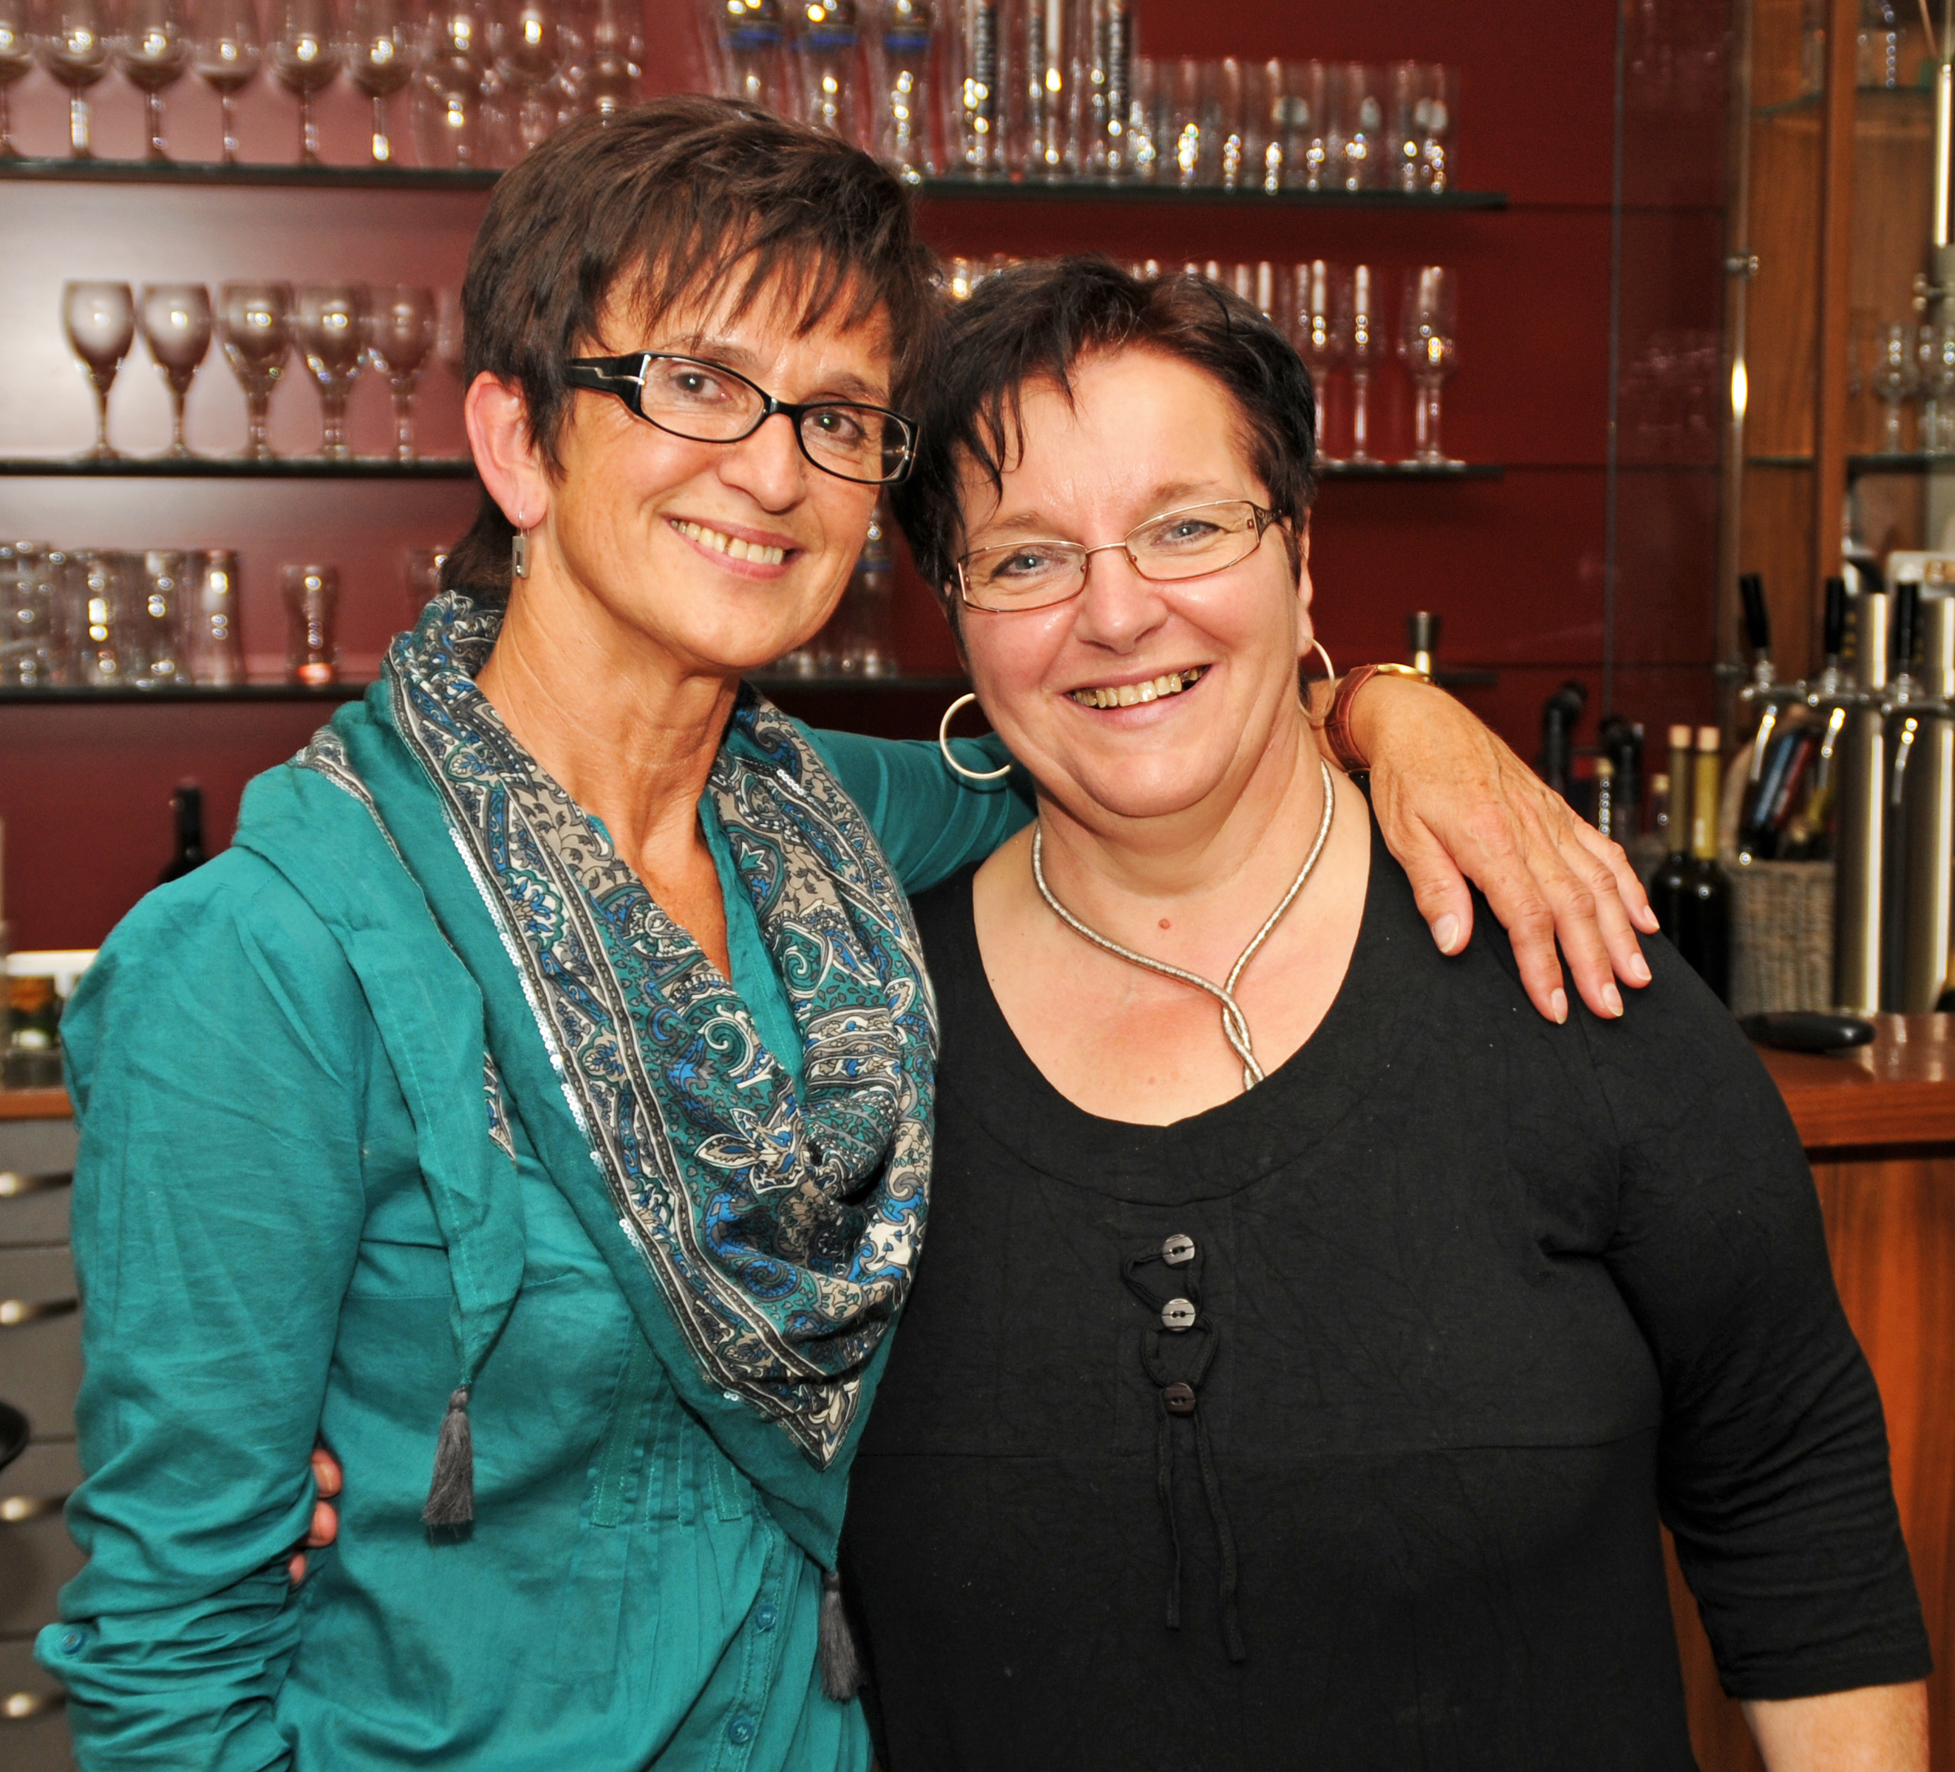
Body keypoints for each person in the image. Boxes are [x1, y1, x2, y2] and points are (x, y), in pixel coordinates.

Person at [41, 104, 1654, 1769]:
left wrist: (1391, 712)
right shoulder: (260, 963)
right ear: (519, 442)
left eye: (833, 416)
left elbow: (1131, 726)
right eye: (694, 381)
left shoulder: (832, 830)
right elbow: (169, 1662)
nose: (772, 469)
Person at [836, 259, 1933, 1770]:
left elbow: (1791, 1487)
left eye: (1188, 527)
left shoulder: (1554, 955)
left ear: (1300, 557)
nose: (1117, 611)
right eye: (1026, 559)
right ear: (953, 618)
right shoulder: (858, 1031)